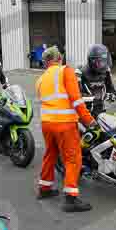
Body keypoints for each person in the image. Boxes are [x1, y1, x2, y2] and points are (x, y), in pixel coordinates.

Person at [36, 46, 98, 212]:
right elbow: (76, 99)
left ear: (45, 62)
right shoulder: (65, 71)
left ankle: (44, 189)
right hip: (64, 123)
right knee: (73, 158)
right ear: (59, 58)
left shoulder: (41, 79)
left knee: (50, 154)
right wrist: (89, 121)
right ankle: (71, 198)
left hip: (46, 123)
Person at [76, 44, 116, 118]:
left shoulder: (106, 72)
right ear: (91, 61)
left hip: (100, 112)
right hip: (84, 114)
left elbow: (110, 89)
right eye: (100, 62)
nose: (103, 65)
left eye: (105, 62)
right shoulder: (80, 72)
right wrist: (102, 97)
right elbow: (76, 96)